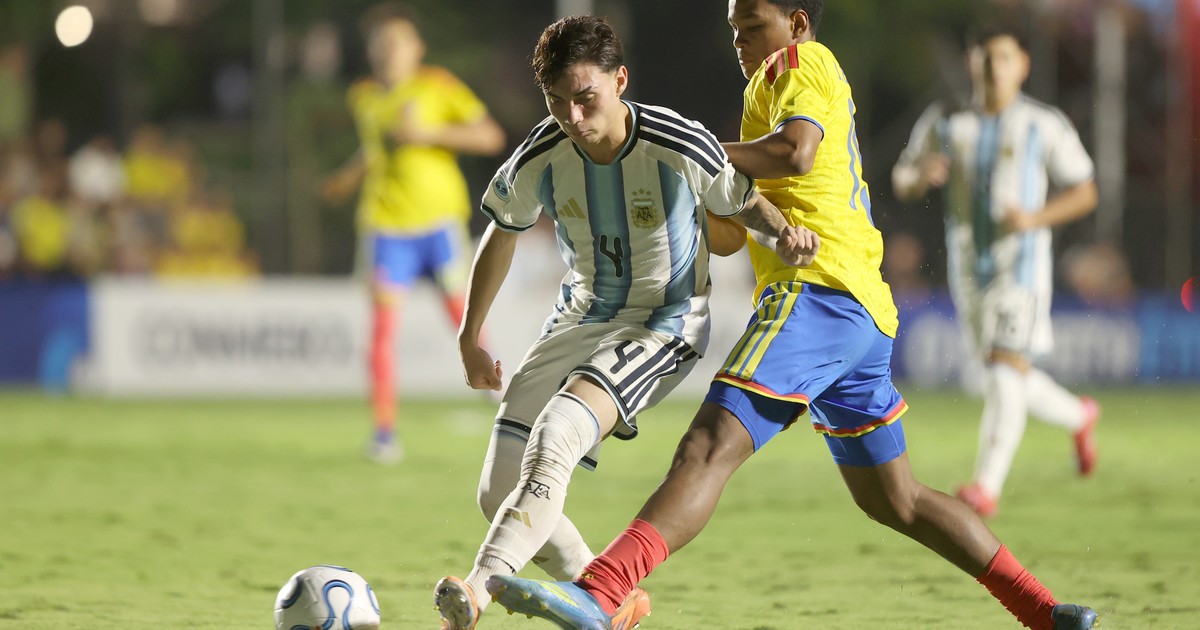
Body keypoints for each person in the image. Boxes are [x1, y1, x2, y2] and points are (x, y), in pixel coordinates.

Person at [483, 2, 1099, 629]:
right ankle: (1046, 610)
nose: (741, 41)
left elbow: (796, 152)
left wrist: (681, 151)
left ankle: (601, 591)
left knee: (707, 447)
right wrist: (691, 196)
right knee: (899, 500)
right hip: (859, 305)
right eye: (734, 29)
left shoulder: (798, 64)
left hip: (817, 294)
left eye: (754, 26)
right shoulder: (768, 89)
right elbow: (733, 233)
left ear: (798, 24)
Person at [431, 15, 816, 630]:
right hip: (580, 315)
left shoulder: (678, 142)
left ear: (620, 80)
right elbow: (502, 232)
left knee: (558, 431)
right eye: (557, 101)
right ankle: (612, 599)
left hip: (664, 322)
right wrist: (469, 332)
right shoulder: (543, 151)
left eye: (585, 98)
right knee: (497, 488)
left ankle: (475, 590)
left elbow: (743, 204)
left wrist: (786, 236)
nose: (573, 117)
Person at [891, 22, 1101, 518]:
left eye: (1004, 58)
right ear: (971, 63)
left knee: (1005, 369)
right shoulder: (946, 120)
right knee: (999, 379)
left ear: (1022, 65)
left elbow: (1085, 191)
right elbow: (902, 177)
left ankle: (985, 487)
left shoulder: (1042, 124)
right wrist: (920, 176)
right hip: (968, 272)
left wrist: (1034, 218)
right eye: (986, 59)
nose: (994, 69)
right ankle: (1079, 415)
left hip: (1021, 270)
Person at [321, 2, 506, 464]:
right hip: (386, 227)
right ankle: (384, 434)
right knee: (382, 331)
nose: (388, 50)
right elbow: (375, 149)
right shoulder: (363, 95)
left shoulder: (438, 86)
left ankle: (500, 398)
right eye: (380, 43)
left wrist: (428, 134)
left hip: (438, 223)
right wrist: (348, 177)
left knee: (463, 319)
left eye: (397, 42)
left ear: (416, 48)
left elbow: (490, 136)